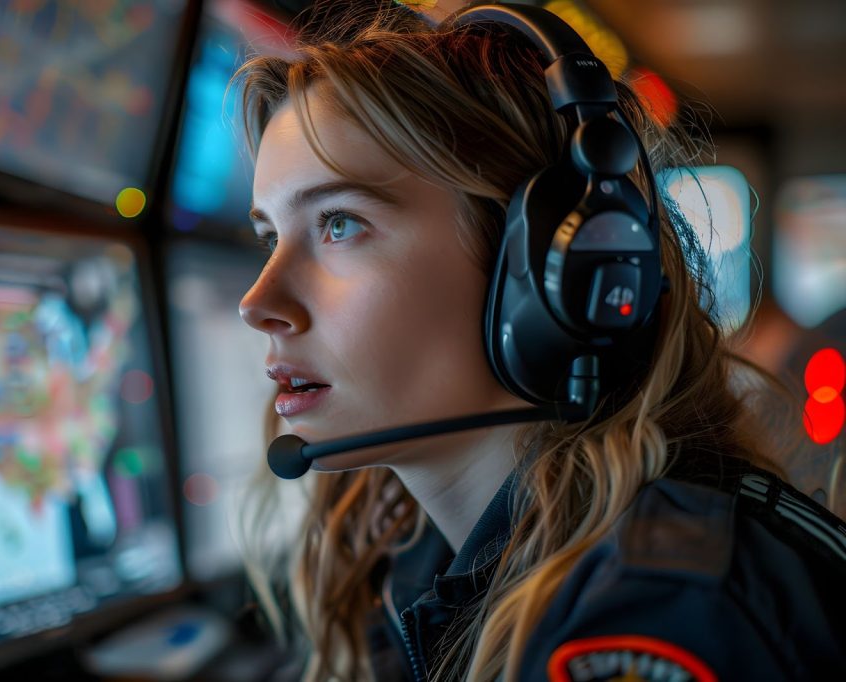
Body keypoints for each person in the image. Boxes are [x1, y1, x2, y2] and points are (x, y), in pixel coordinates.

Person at [234, 2, 846, 680]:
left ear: (542, 275)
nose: (258, 303)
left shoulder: (663, 611)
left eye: (339, 224)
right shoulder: (429, 565)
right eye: (270, 237)